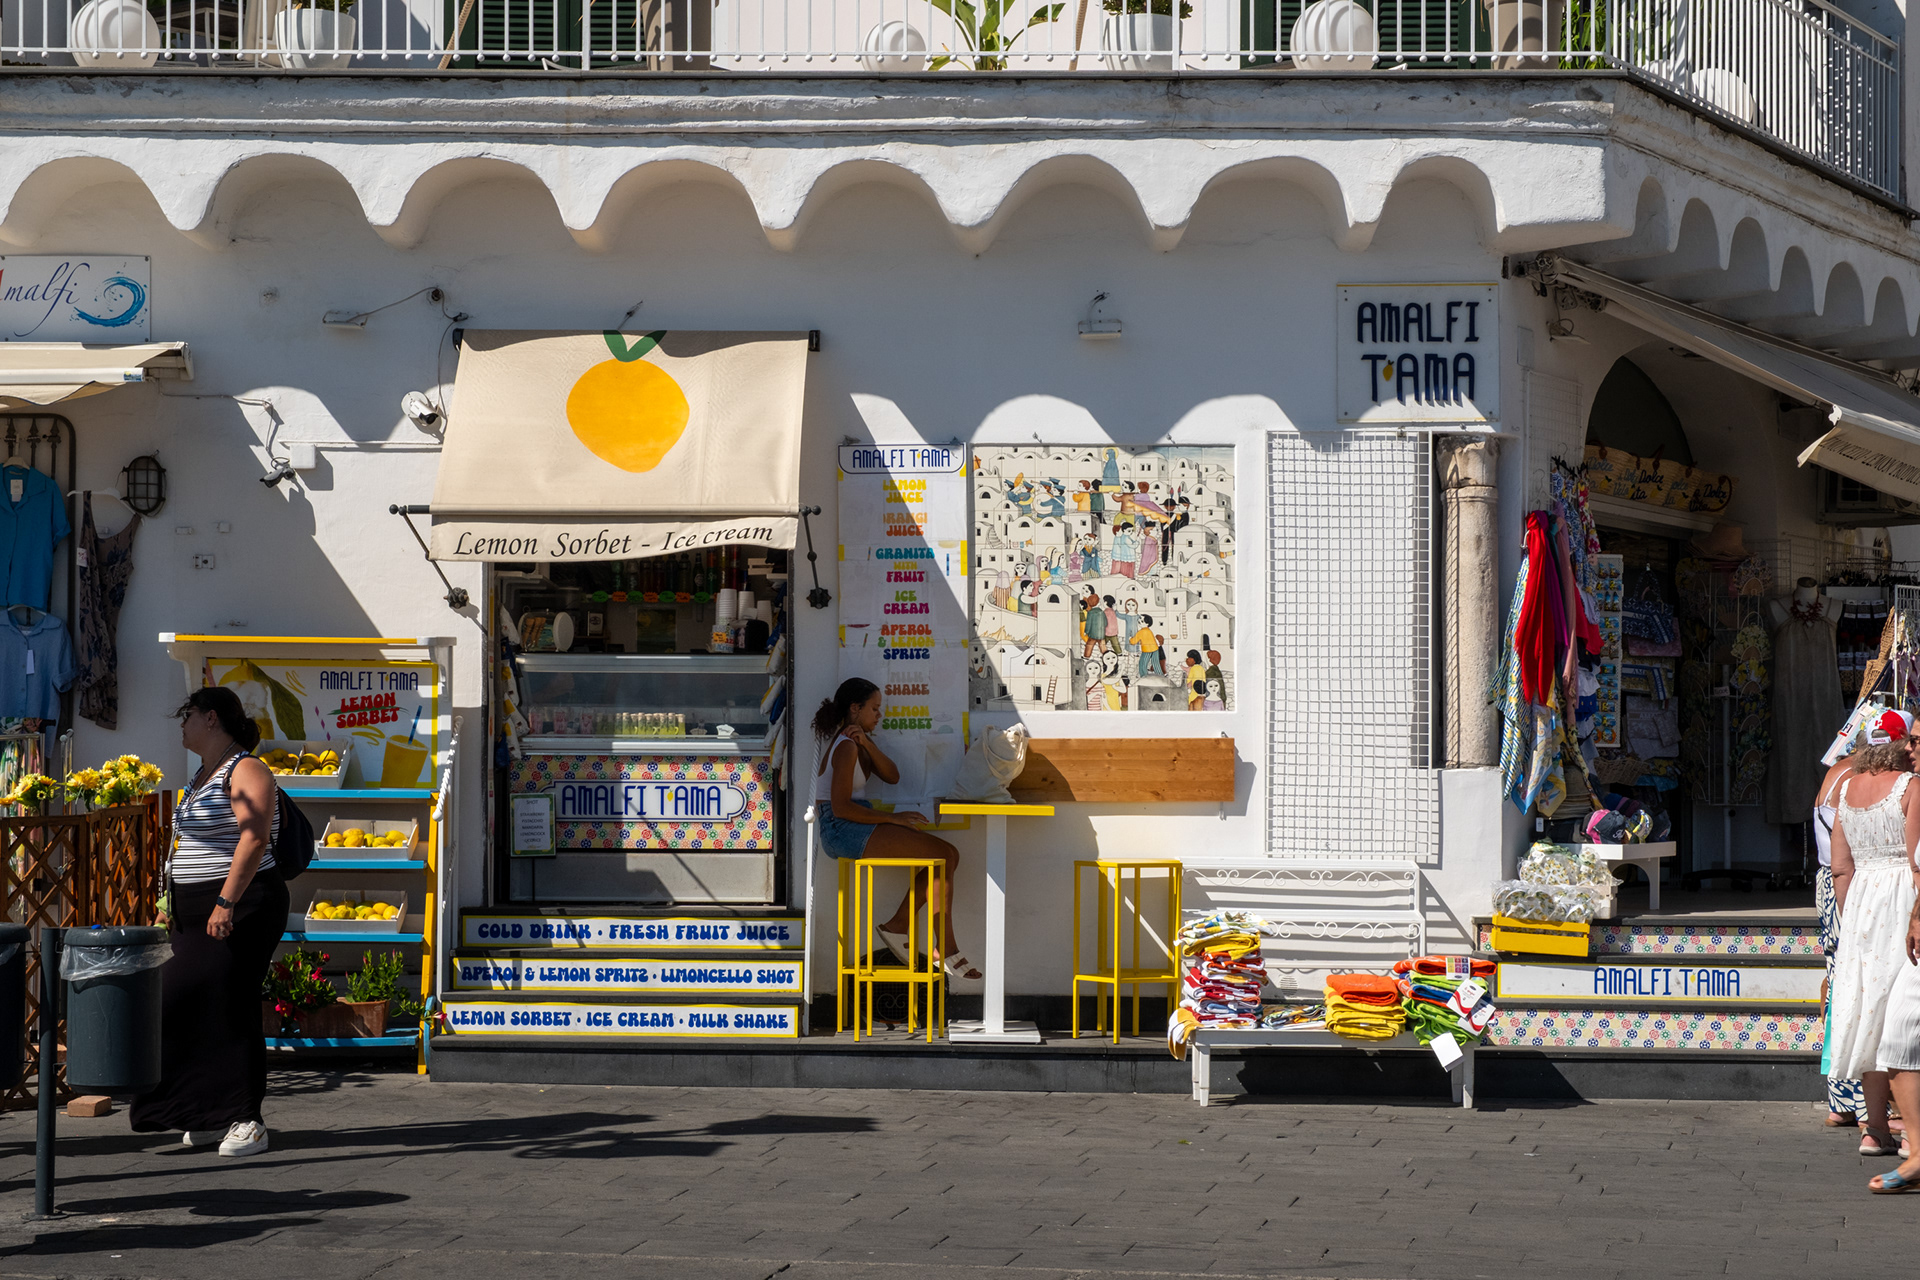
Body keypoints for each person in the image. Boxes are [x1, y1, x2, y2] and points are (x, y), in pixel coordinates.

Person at [130, 686, 288, 1158]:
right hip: (192, 908)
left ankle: (246, 1118)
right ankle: (204, 1111)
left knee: (229, 1002)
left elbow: (254, 838)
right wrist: (167, 902)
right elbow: (187, 847)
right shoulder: (203, 774)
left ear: (212, 719)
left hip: (243, 905)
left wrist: (225, 902)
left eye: (188, 715)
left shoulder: (248, 769)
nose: (182, 725)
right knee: (176, 999)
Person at [812, 679, 981, 983]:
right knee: (942, 854)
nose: (880, 715)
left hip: (850, 823)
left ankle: (900, 925)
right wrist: (894, 819)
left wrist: (867, 743)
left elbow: (892, 775)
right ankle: (944, 946)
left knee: (948, 855)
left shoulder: (857, 743)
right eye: (874, 709)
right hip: (838, 827)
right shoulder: (846, 747)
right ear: (855, 708)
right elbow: (840, 808)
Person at [1825, 709, 1920, 1159]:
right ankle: (1911, 1135)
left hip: (1862, 903)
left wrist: (1853, 918)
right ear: (1901, 744)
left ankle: (1874, 1128)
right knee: (1902, 1014)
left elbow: (1840, 866)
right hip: (1901, 900)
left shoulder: (1845, 788)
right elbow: (1917, 861)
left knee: (1870, 1010)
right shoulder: (1909, 787)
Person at [1815, 738, 1868, 1128]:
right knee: (1854, 988)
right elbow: (1845, 861)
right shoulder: (1854, 779)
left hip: (1830, 886)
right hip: (1847, 889)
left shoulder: (1836, 774)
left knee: (1840, 984)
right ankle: (1856, 1097)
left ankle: (1842, 1098)